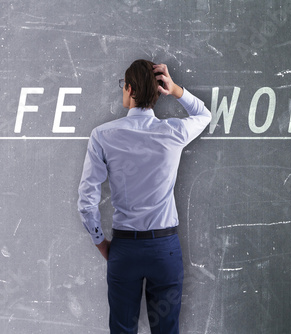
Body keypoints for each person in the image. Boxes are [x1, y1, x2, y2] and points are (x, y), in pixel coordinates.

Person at [77, 59, 211, 334]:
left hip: (125, 250)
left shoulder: (103, 136)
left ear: (129, 88)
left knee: (122, 330)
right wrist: (175, 90)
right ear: (156, 91)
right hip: (165, 249)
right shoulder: (173, 131)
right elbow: (204, 115)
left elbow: (86, 201)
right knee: (166, 329)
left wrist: (102, 244)